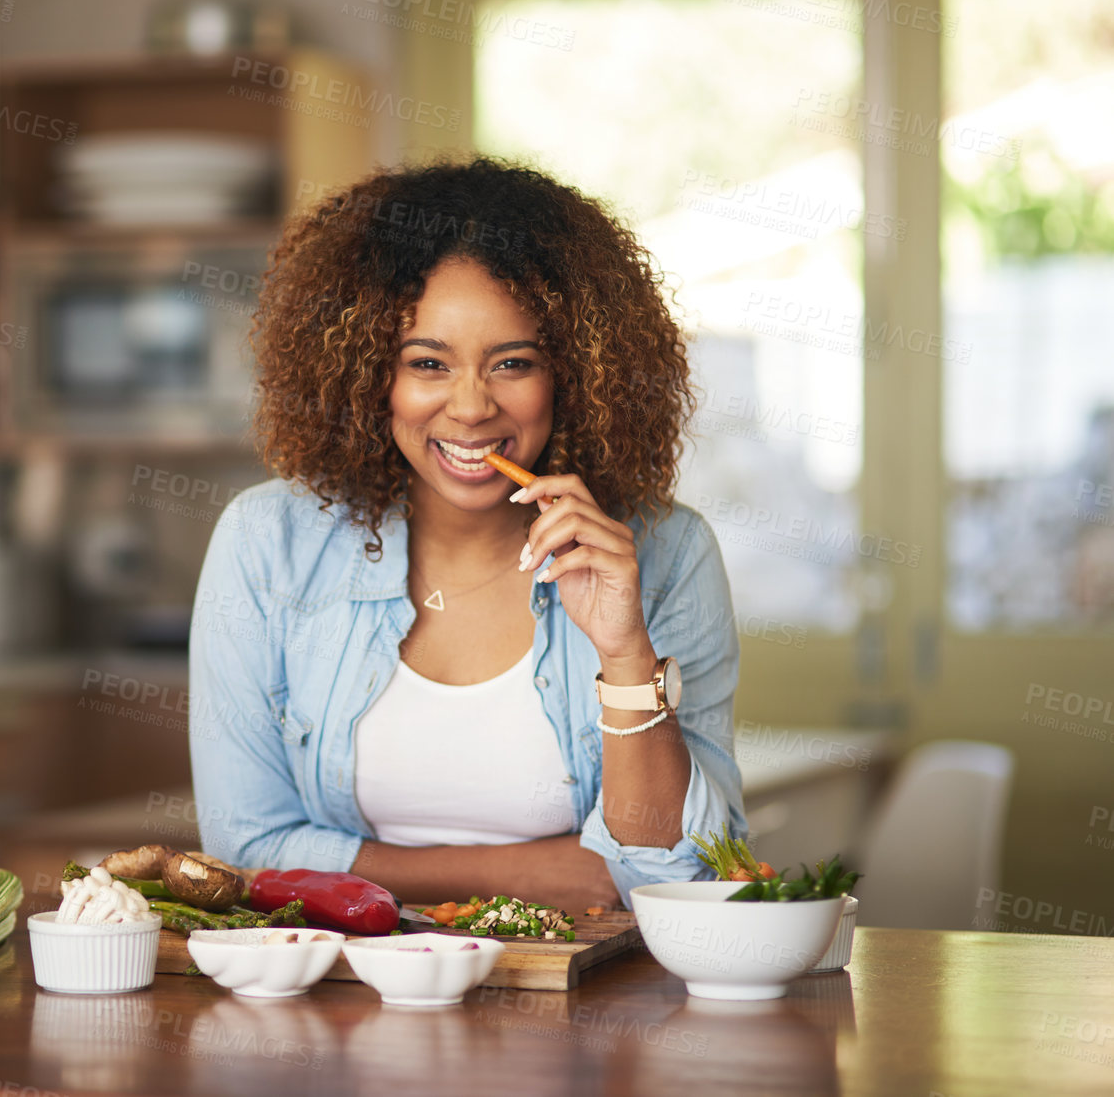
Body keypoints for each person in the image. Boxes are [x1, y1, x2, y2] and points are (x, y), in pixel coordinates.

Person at [188, 157, 746, 912]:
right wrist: (526, 872)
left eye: (512, 362)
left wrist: (623, 652)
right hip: (342, 999)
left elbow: (678, 876)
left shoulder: (667, 552)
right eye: (427, 363)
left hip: (583, 1008)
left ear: (575, 375)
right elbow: (246, 849)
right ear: (364, 377)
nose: (471, 407)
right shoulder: (267, 543)